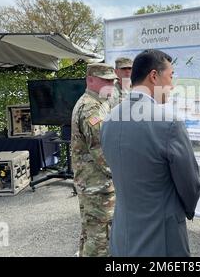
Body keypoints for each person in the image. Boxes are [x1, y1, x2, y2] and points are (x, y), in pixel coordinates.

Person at [100, 49, 200, 257]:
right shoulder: (169, 124)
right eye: (171, 76)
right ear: (154, 76)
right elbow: (190, 185)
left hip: (122, 236)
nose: (172, 86)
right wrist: (187, 210)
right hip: (161, 238)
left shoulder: (109, 119)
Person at [71, 60, 117, 257]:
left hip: (92, 183)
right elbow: (101, 151)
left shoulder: (97, 103)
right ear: (90, 80)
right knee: (100, 240)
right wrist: (120, 175)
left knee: (90, 231)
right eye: (105, 81)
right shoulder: (91, 108)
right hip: (97, 185)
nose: (111, 85)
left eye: (112, 81)